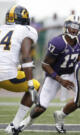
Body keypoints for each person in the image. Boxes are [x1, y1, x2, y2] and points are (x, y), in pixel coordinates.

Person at [17, 15, 80, 134]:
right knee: (41, 106)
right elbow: (45, 65)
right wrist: (60, 80)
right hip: (54, 75)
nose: (74, 29)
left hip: (71, 73)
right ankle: (26, 122)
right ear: (66, 27)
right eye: (72, 26)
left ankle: (60, 116)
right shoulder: (57, 42)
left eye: (77, 27)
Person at [0, 5, 40, 134]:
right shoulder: (27, 30)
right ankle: (14, 125)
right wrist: (30, 85)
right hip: (5, 75)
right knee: (35, 84)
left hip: (4, 69)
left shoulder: (1, 29)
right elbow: (26, 57)